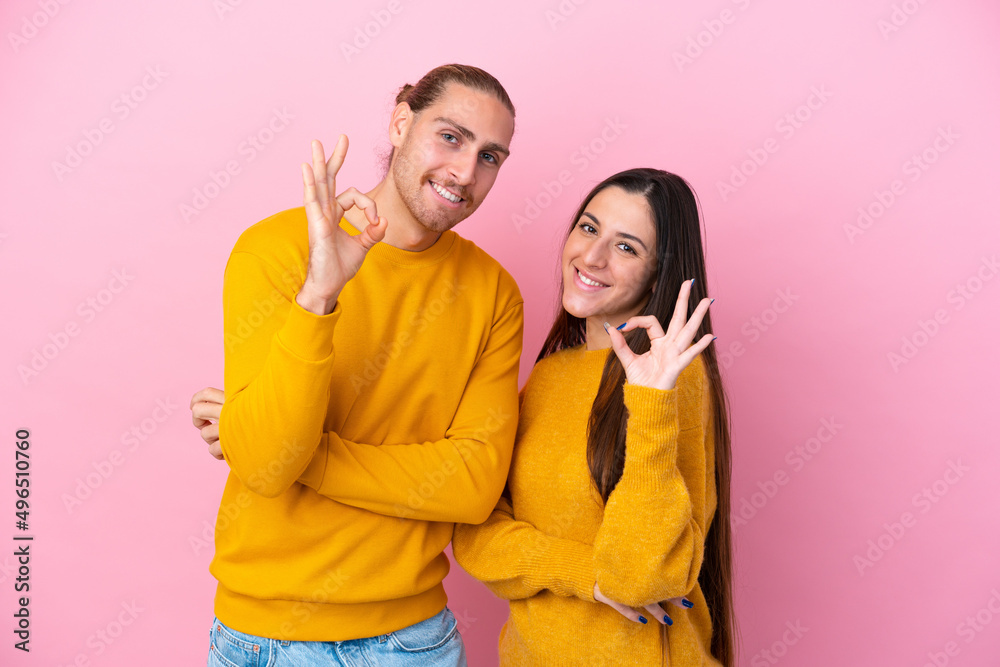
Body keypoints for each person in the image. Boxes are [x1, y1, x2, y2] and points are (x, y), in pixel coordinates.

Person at [188, 64, 522, 666]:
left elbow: (474, 486)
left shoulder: (494, 292)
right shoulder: (274, 250)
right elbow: (265, 468)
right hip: (263, 640)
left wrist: (287, 448)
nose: (465, 172)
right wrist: (319, 296)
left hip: (414, 642)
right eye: (450, 137)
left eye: (490, 157)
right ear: (400, 123)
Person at [451, 168, 736, 666]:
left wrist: (650, 403)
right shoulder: (548, 376)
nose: (592, 257)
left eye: (626, 247)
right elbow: (475, 535)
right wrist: (584, 574)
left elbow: (641, 578)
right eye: (588, 228)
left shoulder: (674, 382)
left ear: (658, 275)